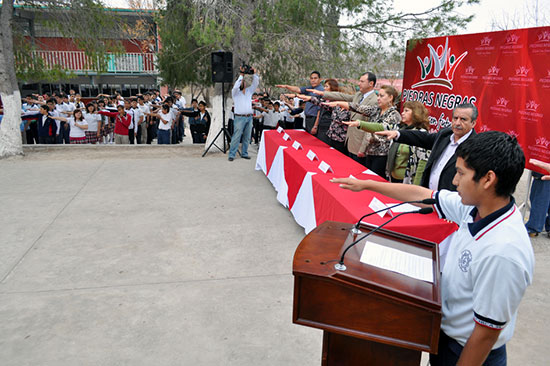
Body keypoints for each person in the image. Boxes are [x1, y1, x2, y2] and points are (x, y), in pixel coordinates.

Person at [332, 131, 534, 366]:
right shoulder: (475, 208)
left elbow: (485, 334)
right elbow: (424, 196)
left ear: (488, 179)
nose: (455, 181)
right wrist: (367, 185)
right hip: (445, 336)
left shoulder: (503, 251)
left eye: (460, 174)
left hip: (469, 352)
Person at [376, 103, 477, 191]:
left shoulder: (475, 147)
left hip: (449, 204)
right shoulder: (445, 134)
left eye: (463, 119)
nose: (457, 123)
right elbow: (423, 138)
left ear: (473, 123)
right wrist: (398, 134)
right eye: (455, 118)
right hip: (429, 196)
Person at [342, 100, 430, 183]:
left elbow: (422, 164)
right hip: (392, 178)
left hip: (407, 182)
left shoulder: (421, 134)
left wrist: (416, 187)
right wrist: (360, 124)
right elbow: (380, 127)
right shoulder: (399, 128)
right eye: (403, 110)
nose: (402, 113)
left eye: (406, 111)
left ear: (416, 113)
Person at [309, 72, 378, 166]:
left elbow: (369, 128)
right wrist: (323, 93)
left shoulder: (374, 100)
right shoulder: (358, 95)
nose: (359, 84)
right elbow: (343, 96)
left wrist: (363, 148)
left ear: (371, 83)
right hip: (350, 141)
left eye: (362, 81)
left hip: (360, 144)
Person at [228, 65, 260, 161]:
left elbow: (256, 83)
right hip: (239, 117)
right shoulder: (235, 93)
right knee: (236, 136)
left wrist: (254, 74)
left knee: (247, 137)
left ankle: (244, 153)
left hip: (249, 117)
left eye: (243, 81)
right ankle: (232, 154)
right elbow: (235, 86)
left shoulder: (249, 92)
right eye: (241, 81)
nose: (243, 82)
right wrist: (241, 75)